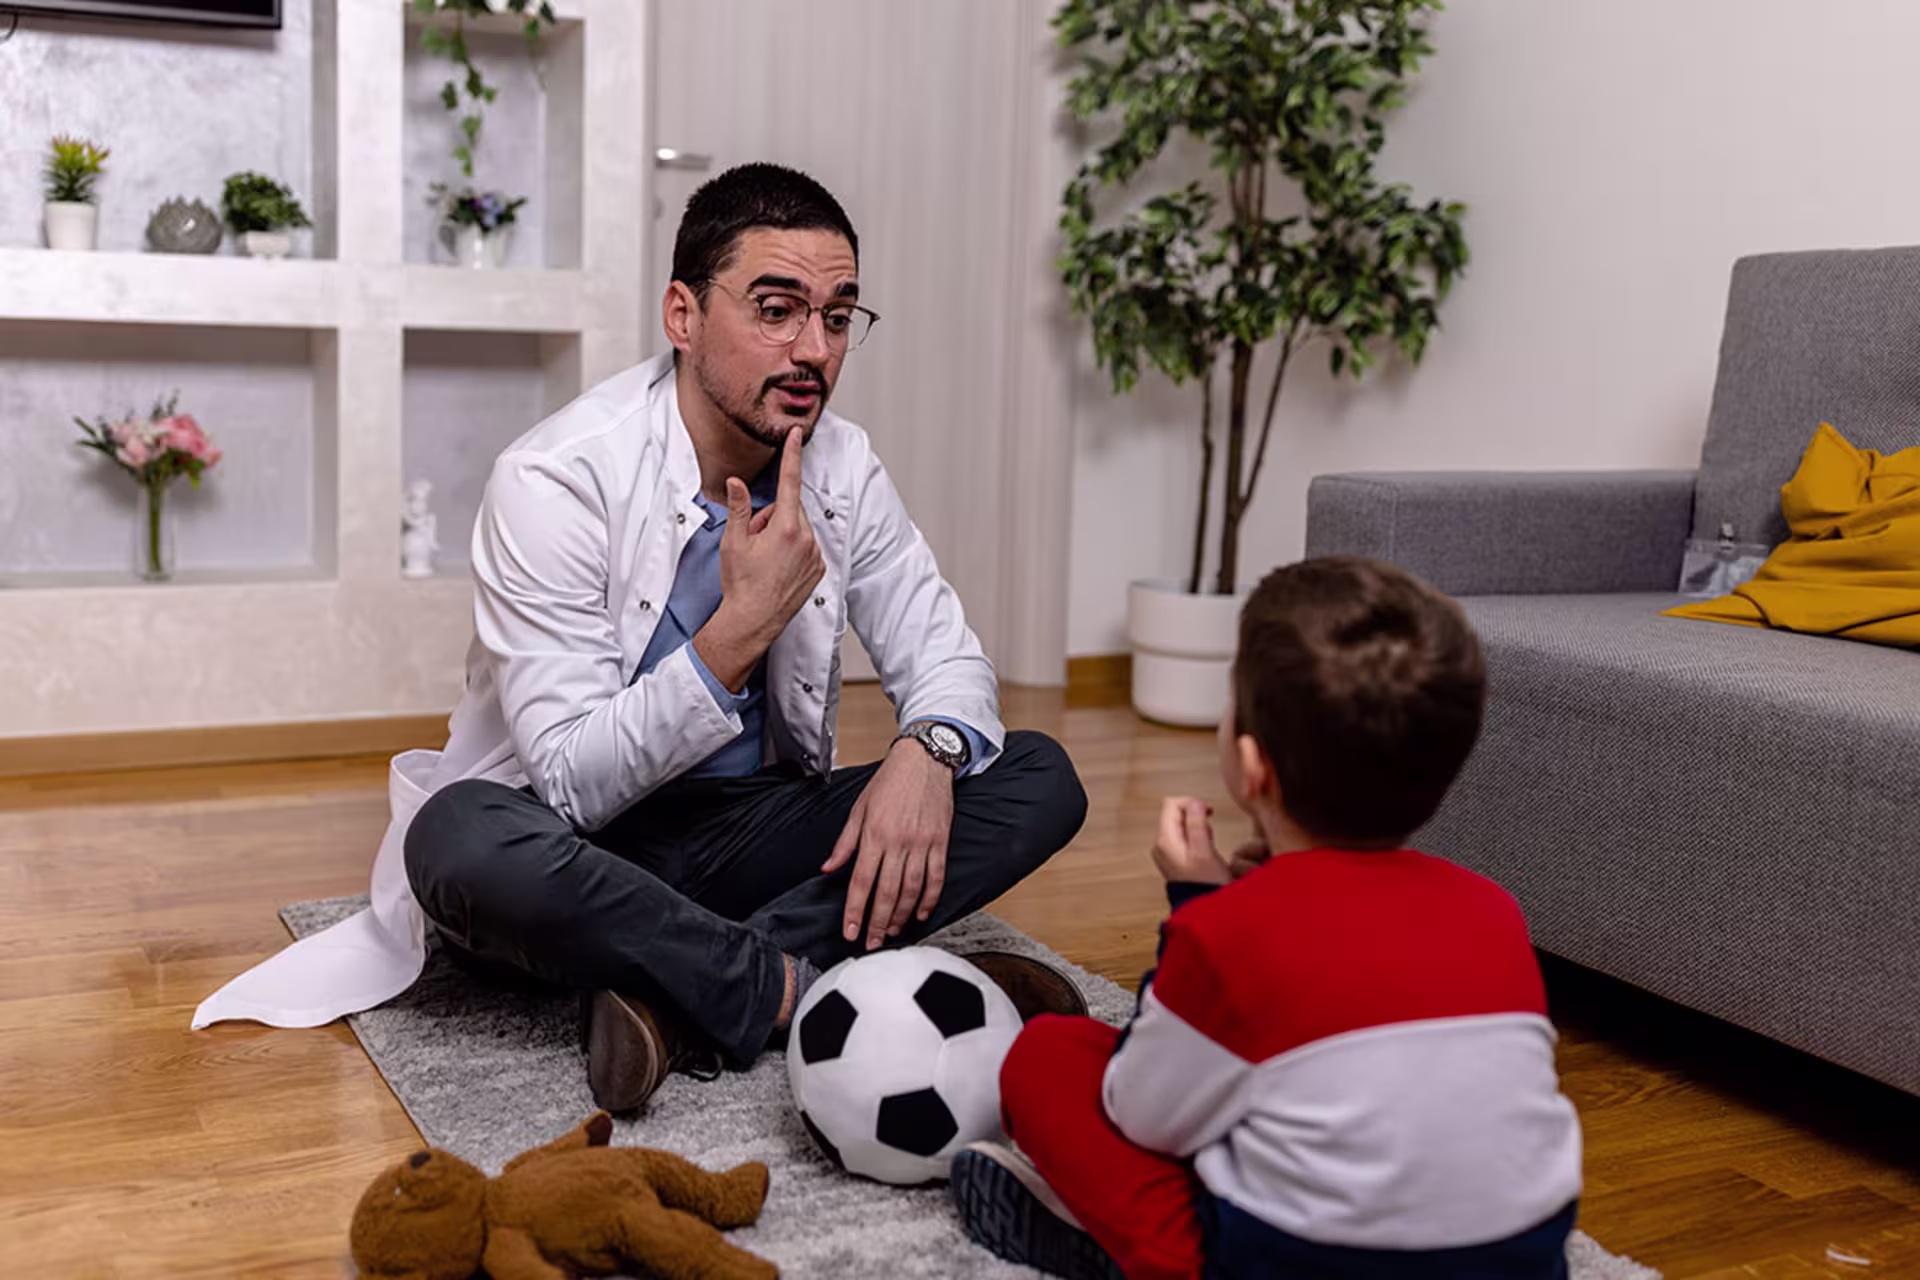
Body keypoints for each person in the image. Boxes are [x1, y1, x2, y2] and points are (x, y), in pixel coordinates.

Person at [192, 163, 1090, 1110]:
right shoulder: (556, 477)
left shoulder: (843, 464)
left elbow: (944, 654)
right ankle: (793, 980)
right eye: (776, 309)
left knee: (1033, 775)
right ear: (683, 314)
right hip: (576, 838)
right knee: (455, 837)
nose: (814, 350)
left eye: (837, 317)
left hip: (747, 826)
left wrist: (928, 747)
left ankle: (682, 986)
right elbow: (574, 779)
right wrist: (736, 633)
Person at [951, 557, 1584, 1280]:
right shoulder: (1495, 911)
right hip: (1524, 1264)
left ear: (1251, 766)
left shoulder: (1228, 932)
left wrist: (1200, 905)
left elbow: (1142, 1111)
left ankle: (1121, 1256)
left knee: (1048, 1056)